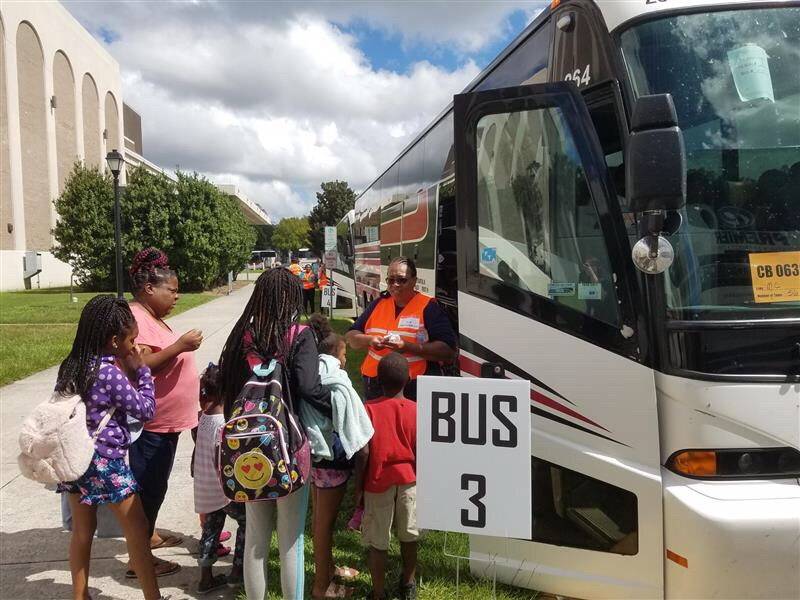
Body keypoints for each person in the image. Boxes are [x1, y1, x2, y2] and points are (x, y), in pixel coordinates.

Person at [217, 268, 332, 600]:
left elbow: (229, 389)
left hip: (245, 450)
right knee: (291, 541)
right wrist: (334, 403)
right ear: (294, 296)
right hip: (287, 448)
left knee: (255, 536)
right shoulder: (300, 334)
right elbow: (310, 388)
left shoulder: (244, 335)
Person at [54, 295, 164, 600]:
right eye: (131, 340)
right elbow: (144, 410)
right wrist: (141, 371)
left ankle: (80, 595)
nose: (134, 346)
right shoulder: (109, 373)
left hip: (74, 460)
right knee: (138, 529)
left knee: (81, 532)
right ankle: (153, 597)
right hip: (107, 463)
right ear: (114, 341)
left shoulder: (70, 367)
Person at [128, 247, 203, 577]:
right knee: (147, 487)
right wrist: (180, 347)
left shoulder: (151, 317)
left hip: (166, 422)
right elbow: (138, 364)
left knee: (156, 485)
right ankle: (139, 559)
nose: (177, 295)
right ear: (149, 289)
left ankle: (150, 535)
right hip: (152, 424)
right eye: (171, 290)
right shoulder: (135, 318)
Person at [305, 314, 373, 598]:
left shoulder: (312, 376)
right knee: (324, 526)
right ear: (335, 354)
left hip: (313, 458)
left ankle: (329, 568)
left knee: (319, 518)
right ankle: (322, 587)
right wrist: (361, 482)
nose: (346, 361)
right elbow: (361, 435)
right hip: (333, 462)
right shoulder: (339, 383)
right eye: (345, 354)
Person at [345, 256, 457, 400]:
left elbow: (448, 351)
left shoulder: (429, 307)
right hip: (376, 386)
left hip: (413, 389)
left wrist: (407, 347)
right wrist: (369, 340)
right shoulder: (378, 304)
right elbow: (351, 336)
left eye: (401, 280)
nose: (395, 284)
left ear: (414, 281)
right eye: (391, 280)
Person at [355, 352, 418, 600]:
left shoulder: (368, 409)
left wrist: (358, 487)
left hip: (377, 481)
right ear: (409, 378)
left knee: (378, 541)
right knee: (409, 535)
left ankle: (379, 593)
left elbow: (363, 452)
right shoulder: (417, 410)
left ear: (377, 380)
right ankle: (408, 584)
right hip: (409, 479)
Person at [193, 364, 245, 594]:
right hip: (226, 491)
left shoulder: (201, 418)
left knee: (209, 532)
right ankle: (237, 573)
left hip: (206, 490)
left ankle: (205, 579)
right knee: (246, 523)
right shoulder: (224, 424)